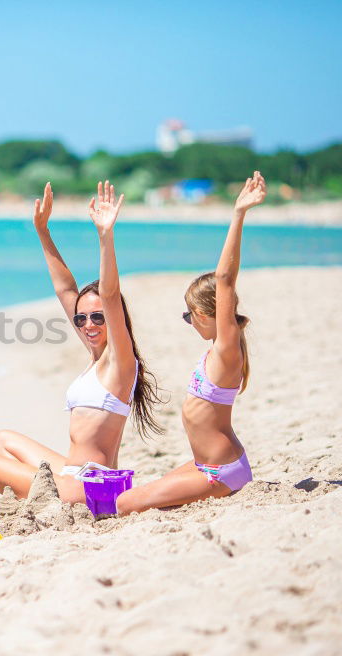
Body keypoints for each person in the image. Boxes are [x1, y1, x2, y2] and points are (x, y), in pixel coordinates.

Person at [0, 181, 163, 503]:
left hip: (96, 488)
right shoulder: (96, 356)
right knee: (3, 440)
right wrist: (42, 231)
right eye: (81, 319)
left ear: (114, 318)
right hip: (73, 475)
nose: (88, 324)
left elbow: (109, 295)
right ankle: (9, 510)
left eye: (98, 317)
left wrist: (105, 235)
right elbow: (67, 290)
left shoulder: (120, 360)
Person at [116, 171, 266, 515]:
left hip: (220, 471)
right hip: (204, 463)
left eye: (190, 315)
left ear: (206, 313)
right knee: (140, 493)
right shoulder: (216, 349)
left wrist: (239, 213)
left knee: (124, 504)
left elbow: (225, 280)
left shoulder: (228, 348)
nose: (189, 323)